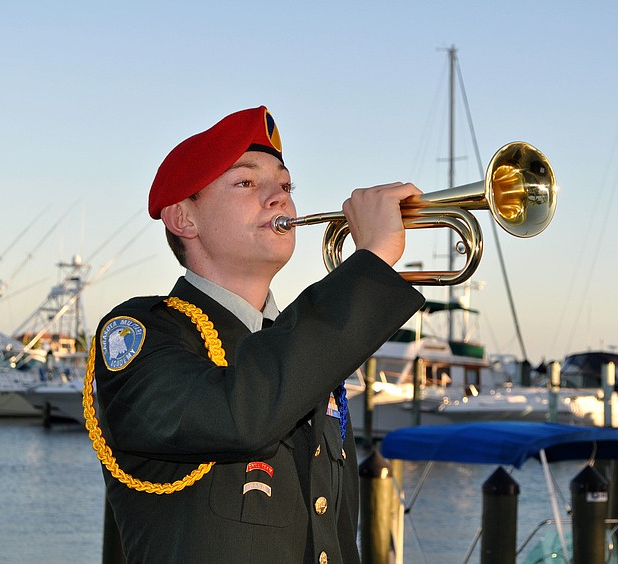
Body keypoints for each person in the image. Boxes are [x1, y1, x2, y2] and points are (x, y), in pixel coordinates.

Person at [90, 105, 426, 563]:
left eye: (285, 185)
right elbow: (239, 415)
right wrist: (368, 266)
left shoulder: (305, 347)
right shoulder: (144, 333)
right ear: (184, 218)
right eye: (247, 182)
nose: (280, 198)